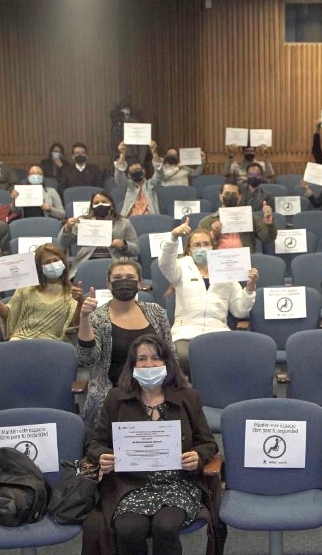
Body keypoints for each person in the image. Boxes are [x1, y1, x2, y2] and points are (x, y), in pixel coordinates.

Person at [83, 334, 222, 555]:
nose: (148, 365)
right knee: (128, 528)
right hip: (132, 482)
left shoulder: (188, 397)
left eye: (154, 358)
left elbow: (207, 442)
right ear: (132, 366)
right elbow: (96, 442)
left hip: (178, 482)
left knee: (164, 526)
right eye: (141, 359)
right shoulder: (117, 399)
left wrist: (197, 457)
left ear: (167, 363)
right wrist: (100, 455)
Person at [76, 257, 173, 430]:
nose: (124, 282)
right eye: (118, 278)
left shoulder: (156, 311)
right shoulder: (97, 317)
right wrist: (84, 318)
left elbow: (170, 354)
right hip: (113, 394)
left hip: (156, 390)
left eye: (129, 278)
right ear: (109, 283)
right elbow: (87, 360)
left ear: (139, 282)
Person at [162, 220, 257, 374]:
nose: (202, 248)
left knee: (235, 357)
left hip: (218, 332)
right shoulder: (181, 267)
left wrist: (250, 289)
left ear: (213, 247)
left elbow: (240, 311)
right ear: (189, 249)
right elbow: (165, 263)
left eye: (206, 244)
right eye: (197, 245)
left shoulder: (225, 269)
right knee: (186, 357)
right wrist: (173, 237)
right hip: (186, 334)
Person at [0, 243, 79, 342]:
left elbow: (75, 325)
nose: (53, 264)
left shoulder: (72, 293)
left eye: (56, 260)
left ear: (63, 262)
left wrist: (81, 302)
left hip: (53, 344)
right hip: (21, 339)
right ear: (40, 267)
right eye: (47, 262)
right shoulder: (26, 288)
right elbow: (7, 315)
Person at [56, 191, 138, 272]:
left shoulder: (124, 223)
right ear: (92, 207)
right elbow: (64, 243)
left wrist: (124, 244)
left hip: (116, 263)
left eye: (104, 202)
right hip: (86, 261)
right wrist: (67, 228)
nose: (100, 205)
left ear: (112, 205)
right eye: (96, 203)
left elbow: (136, 249)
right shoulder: (83, 221)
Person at [197, 180, 275, 253]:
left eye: (234, 194)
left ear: (239, 197)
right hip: (219, 261)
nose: (230, 196)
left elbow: (268, 238)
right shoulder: (206, 222)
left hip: (245, 261)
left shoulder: (250, 218)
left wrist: (268, 222)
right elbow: (199, 247)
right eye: (227, 194)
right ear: (221, 196)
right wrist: (213, 234)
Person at [115, 141, 163, 217]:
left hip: (150, 220)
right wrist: (122, 154)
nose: (136, 172)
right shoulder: (127, 186)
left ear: (143, 172)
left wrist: (154, 152)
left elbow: (159, 171)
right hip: (131, 221)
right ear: (129, 175)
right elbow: (118, 174)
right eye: (133, 171)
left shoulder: (151, 184)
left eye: (137, 170)